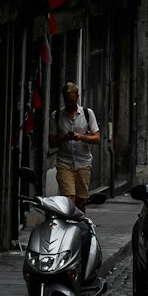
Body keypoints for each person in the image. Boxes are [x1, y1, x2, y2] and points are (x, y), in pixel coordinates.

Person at [48, 81, 100, 212]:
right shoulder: (56, 116)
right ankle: (68, 227)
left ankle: (80, 226)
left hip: (83, 163)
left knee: (80, 201)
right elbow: (52, 142)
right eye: (67, 101)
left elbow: (97, 138)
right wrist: (63, 138)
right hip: (64, 163)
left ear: (77, 97)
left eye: (72, 100)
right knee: (69, 199)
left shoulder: (88, 114)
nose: (70, 104)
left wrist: (80, 137)